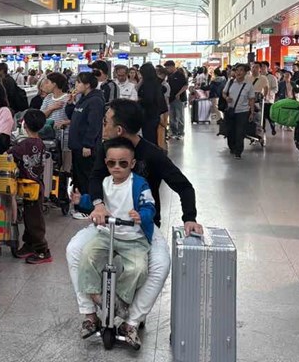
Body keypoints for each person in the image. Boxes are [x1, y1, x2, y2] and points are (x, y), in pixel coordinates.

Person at [66, 98, 202, 347]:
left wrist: (190, 218)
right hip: (107, 223)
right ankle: (89, 314)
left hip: (142, 228)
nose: (102, 126)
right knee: (74, 249)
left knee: (160, 264)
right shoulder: (105, 149)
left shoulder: (152, 154)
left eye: (105, 122)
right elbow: (96, 178)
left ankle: (131, 320)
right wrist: (96, 203)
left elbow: (184, 186)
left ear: (119, 130)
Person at [76, 136, 155, 348]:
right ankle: (96, 296)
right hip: (106, 235)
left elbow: (149, 206)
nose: (117, 167)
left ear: (132, 164)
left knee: (138, 268)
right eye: (111, 163)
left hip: (133, 239)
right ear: (106, 164)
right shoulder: (104, 183)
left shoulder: (138, 183)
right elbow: (93, 204)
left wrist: (142, 215)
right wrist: (81, 201)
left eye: (122, 163)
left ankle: (119, 299)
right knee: (87, 256)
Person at [8, 109, 51, 264]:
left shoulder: (24, 144)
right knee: (30, 215)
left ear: (24, 124)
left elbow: (10, 153)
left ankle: (42, 250)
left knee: (34, 219)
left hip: (29, 186)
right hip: (37, 185)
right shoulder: (40, 143)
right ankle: (29, 244)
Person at [65, 72, 104, 217]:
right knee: (78, 177)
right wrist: (70, 103)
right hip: (77, 145)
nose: (76, 85)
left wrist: (88, 144)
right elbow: (73, 116)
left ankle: (87, 209)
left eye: (78, 83)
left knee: (86, 178)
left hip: (86, 147)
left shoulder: (95, 101)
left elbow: (93, 125)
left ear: (87, 84)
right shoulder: (83, 99)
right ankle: (79, 205)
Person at [223, 64, 256, 159]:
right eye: (237, 70)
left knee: (240, 132)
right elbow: (224, 92)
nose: (238, 72)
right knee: (230, 131)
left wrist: (252, 112)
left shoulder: (248, 85)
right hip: (230, 111)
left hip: (243, 112)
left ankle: (238, 151)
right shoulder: (230, 82)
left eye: (241, 70)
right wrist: (226, 98)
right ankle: (232, 147)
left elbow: (252, 99)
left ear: (245, 73)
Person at [137, 63, 167, 146]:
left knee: (149, 138)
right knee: (153, 137)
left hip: (148, 114)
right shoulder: (156, 81)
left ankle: (151, 156)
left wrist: (138, 101)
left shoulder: (148, 84)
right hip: (155, 113)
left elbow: (148, 99)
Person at [164, 60, 188, 140]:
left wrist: (179, 94)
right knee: (172, 116)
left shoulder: (180, 75)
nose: (167, 69)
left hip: (179, 99)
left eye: (167, 68)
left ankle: (180, 133)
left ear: (172, 66)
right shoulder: (169, 76)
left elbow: (185, 86)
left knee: (179, 116)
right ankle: (173, 132)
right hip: (171, 99)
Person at [261, 61, 278, 135]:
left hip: (268, 101)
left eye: (264, 67)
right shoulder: (258, 77)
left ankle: (273, 127)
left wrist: (269, 92)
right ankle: (262, 131)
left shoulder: (272, 77)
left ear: (267, 68)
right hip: (260, 101)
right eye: (261, 67)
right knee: (262, 117)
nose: (262, 68)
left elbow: (276, 89)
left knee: (269, 116)